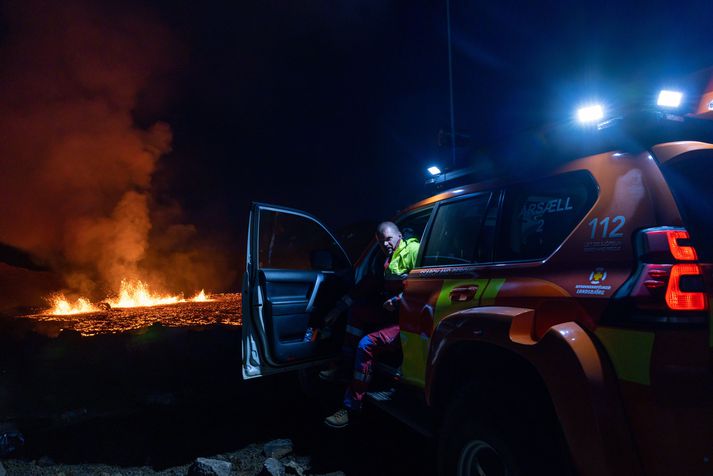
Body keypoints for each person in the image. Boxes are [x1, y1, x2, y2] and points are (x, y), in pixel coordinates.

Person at [321, 221, 420, 429]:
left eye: (389, 238)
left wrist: (399, 299)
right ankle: (345, 367)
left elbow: (426, 284)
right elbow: (366, 286)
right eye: (382, 242)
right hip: (393, 315)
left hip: (410, 320)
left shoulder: (414, 250)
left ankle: (352, 405)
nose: (386, 244)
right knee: (356, 312)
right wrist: (338, 308)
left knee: (366, 343)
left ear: (399, 235)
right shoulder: (385, 260)